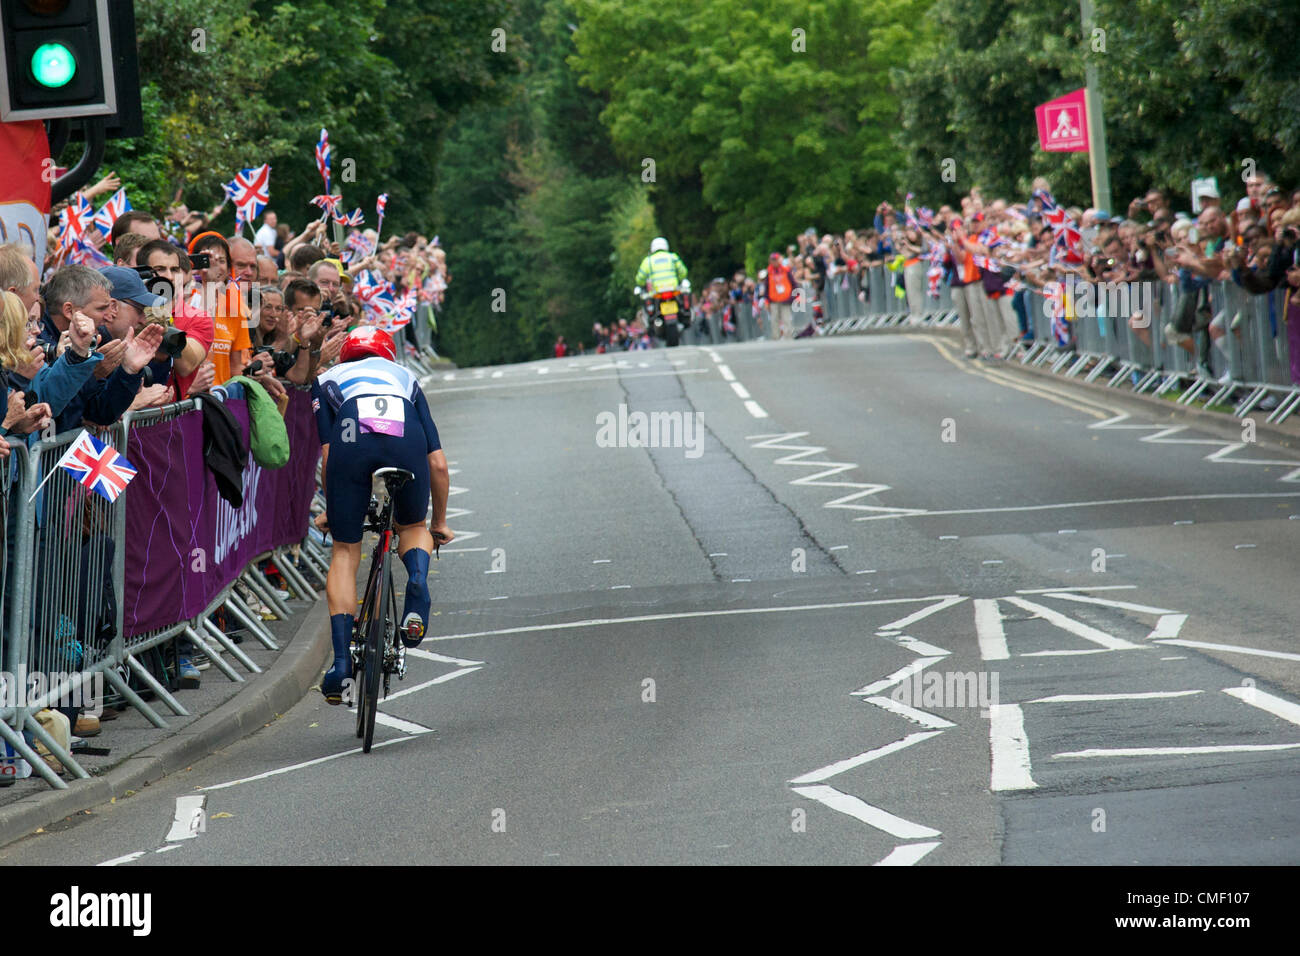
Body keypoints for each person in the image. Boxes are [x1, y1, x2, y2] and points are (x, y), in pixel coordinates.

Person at [311, 327, 453, 704]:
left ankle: (341, 664)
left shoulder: (326, 378)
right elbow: (437, 464)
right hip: (404, 440)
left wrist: (334, 507)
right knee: (412, 526)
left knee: (345, 550)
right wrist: (437, 523)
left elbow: (329, 456)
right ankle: (418, 581)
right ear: (388, 354)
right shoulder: (406, 377)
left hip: (352, 440)